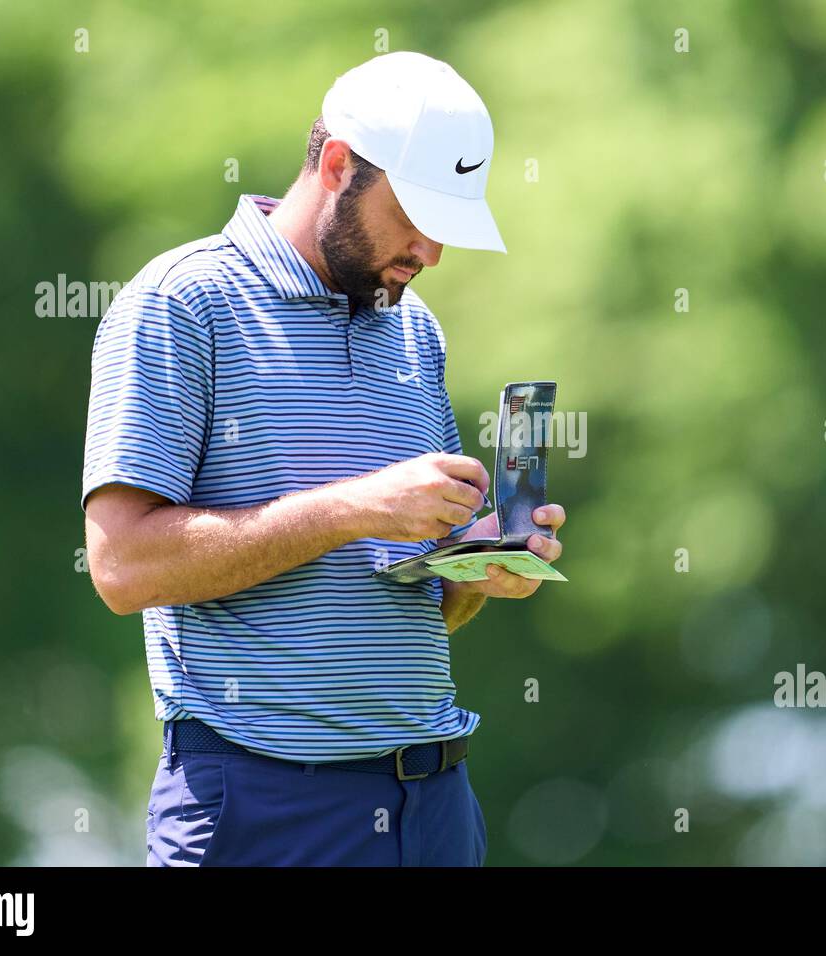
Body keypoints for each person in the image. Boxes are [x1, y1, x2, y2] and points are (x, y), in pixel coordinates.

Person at [80, 51, 567, 866]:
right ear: (337, 164)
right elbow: (122, 565)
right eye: (415, 215)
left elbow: (410, 608)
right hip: (264, 810)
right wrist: (354, 509)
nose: (432, 252)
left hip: (435, 805)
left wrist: (476, 569)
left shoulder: (416, 330)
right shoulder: (181, 301)